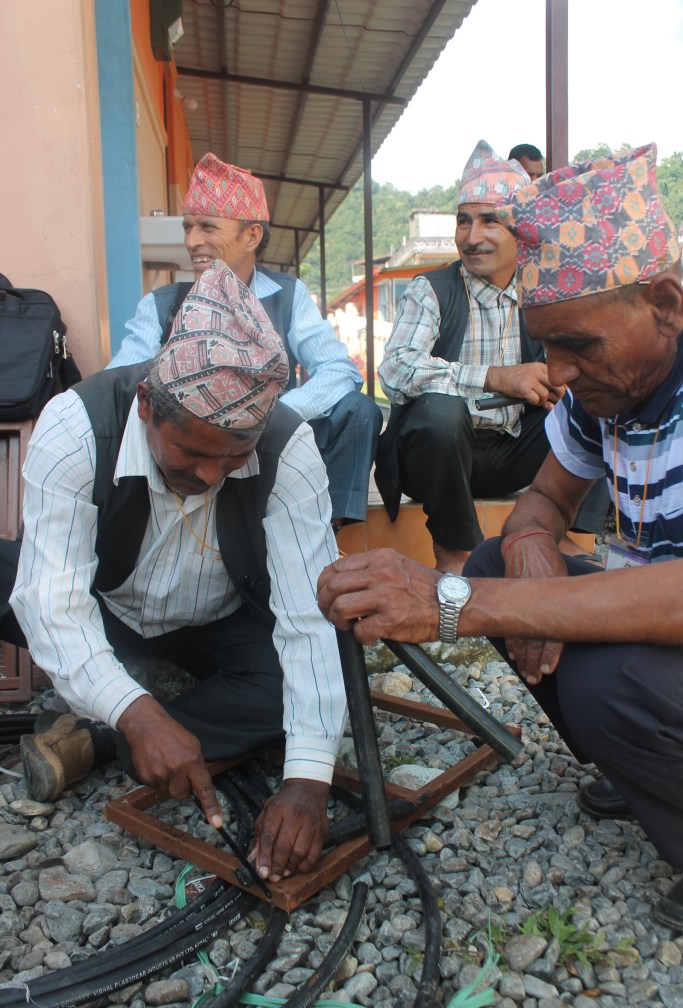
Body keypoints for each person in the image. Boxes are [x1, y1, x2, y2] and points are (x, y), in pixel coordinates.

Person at [318, 142, 683, 930]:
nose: (559, 370)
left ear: (664, 302)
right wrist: (524, 545)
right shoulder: (602, 394)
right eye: (545, 345)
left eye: (577, 346)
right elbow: (543, 500)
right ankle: (639, 765)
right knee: (497, 560)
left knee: (602, 682)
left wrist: (458, 604)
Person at [8, 261, 348, 884]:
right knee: (22, 583)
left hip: (214, 619)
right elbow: (53, 601)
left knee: (291, 689)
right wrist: (139, 712)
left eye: (236, 456)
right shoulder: (77, 423)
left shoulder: (287, 447)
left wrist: (306, 783)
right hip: (102, 600)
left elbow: (309, 619)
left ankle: (96, 742)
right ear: (146, 405)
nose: (213, 476)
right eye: (192, 453)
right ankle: (136, 723)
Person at [110, 153, 383, 529]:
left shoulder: (288, 296)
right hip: (197, 448)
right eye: (187, 227)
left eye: (207, 227)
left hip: (270, 441)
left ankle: (326, 530)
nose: (192, 241)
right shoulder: (161, 304)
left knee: (359, 410)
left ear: (251, 235)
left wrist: (269, 418)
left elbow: (338, 369)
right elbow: (119, 383)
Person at [375, 140, 603, 576]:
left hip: (515, 451)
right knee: (441, 413)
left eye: (489, 221)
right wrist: (497, 378)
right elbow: (395, 369)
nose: (472, 236)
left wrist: (560, 380)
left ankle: (577, 534)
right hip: (437, 459)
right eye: (464, 221)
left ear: (518, 230)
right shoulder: (432, 290)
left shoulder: (541, 291)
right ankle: (455, 549)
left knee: (593, 397)